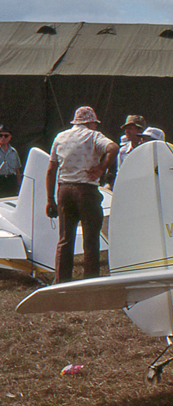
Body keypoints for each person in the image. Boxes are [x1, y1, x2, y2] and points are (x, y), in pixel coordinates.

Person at [45, 106, 118, 283]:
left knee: (65, 239)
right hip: (86, 190)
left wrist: (50, 199)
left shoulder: (60, 137)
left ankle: (62, 281)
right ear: (90, 122)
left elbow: (51, 170)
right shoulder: (93, 136)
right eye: (94, 123)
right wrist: (101, 168)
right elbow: (113, 148)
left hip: (64, 190)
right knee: (91, 238)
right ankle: (90, 280)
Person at [0, 123, 22, 197]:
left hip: (11, 180)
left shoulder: (13, 151)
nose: (3, 138)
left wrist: (19, 185)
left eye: (6, 136)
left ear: (10, 137)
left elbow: (17, 170)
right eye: (0, 135)